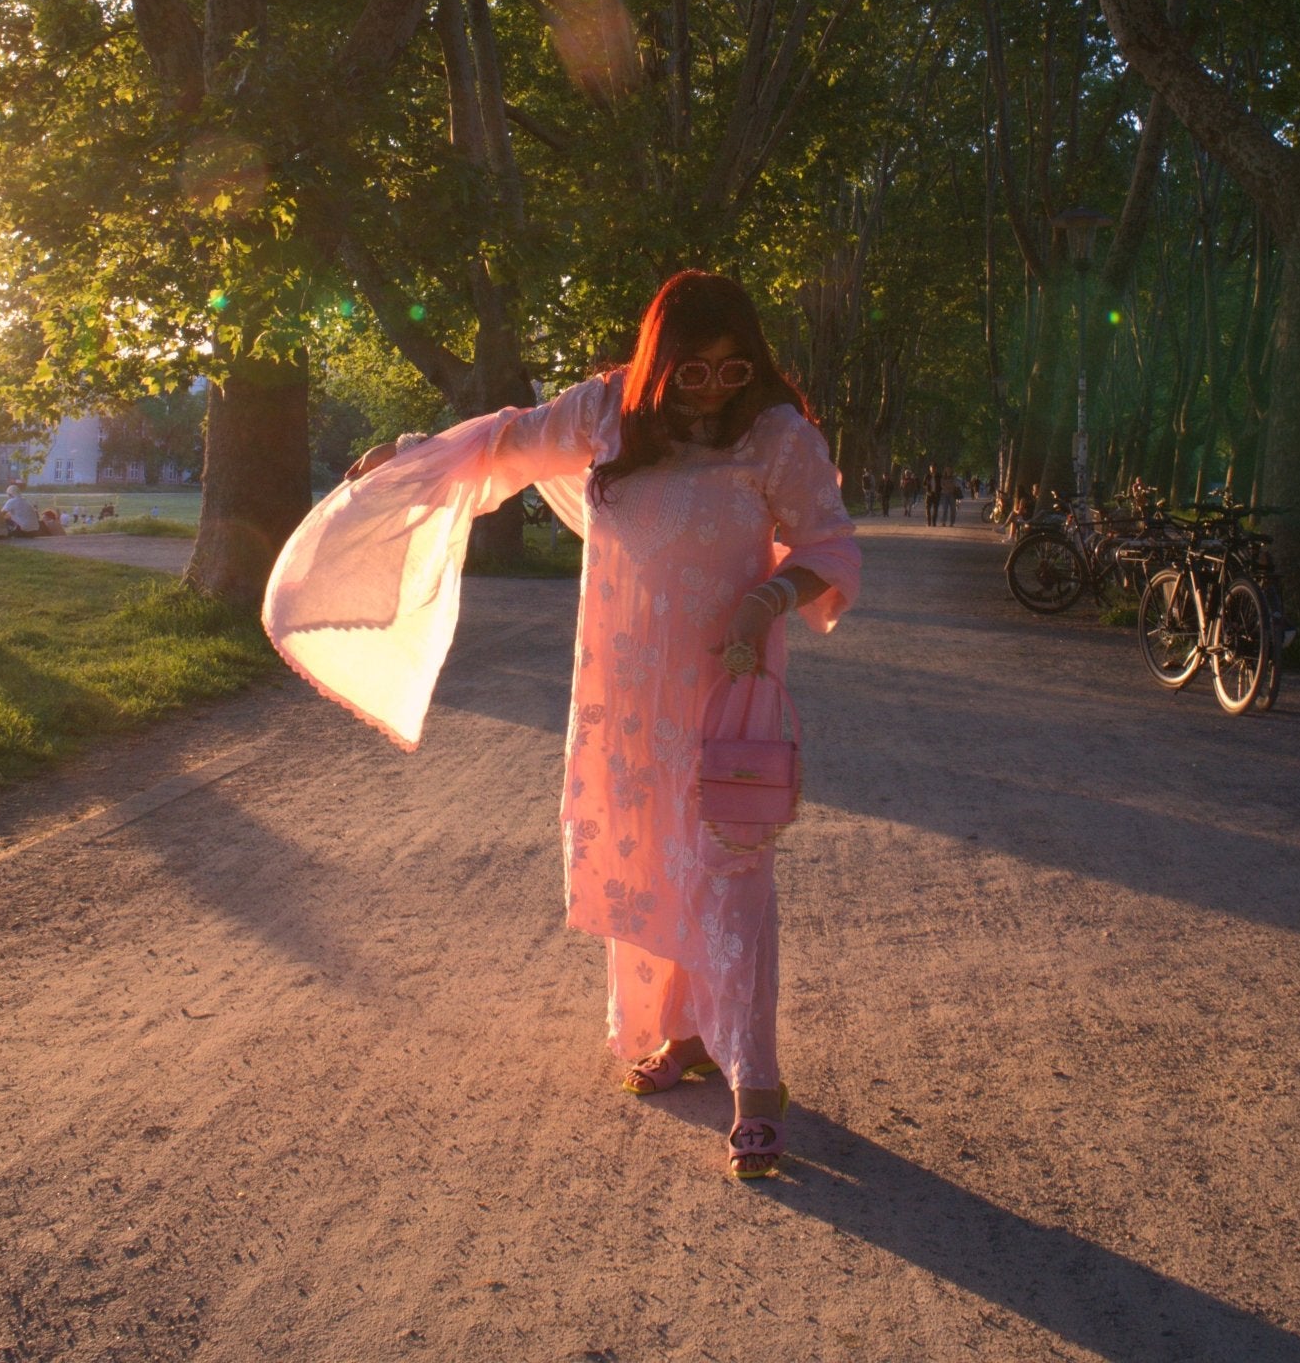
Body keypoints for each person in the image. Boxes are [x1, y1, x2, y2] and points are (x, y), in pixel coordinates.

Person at [264, 272, 860, 1183]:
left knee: (730, 869)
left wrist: (769, 598)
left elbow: (829, 545)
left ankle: (758, 1083)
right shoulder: (612, 412)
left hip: (725, 695)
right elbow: (506, 442)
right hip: (624, 697)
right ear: (660, 363)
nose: (711, 389)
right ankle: (685, 1033)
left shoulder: (777, 435)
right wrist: (412, 455)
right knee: (648, 853)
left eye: (731, 369)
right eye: (691, 372)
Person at [923, 463, 941, 527]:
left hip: (936, 494)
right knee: (927, 508)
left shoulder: (939, 476)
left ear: (936, 469)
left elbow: (941, 484)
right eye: (931, 468)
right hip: (929, 494)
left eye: (934, 468)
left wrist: (939, 491)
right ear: (929, 469)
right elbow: (924, 484)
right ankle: (928, 522)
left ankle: (934, 523)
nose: (932, 469)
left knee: (935, 509)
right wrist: (927, 488)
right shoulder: (927, 476)